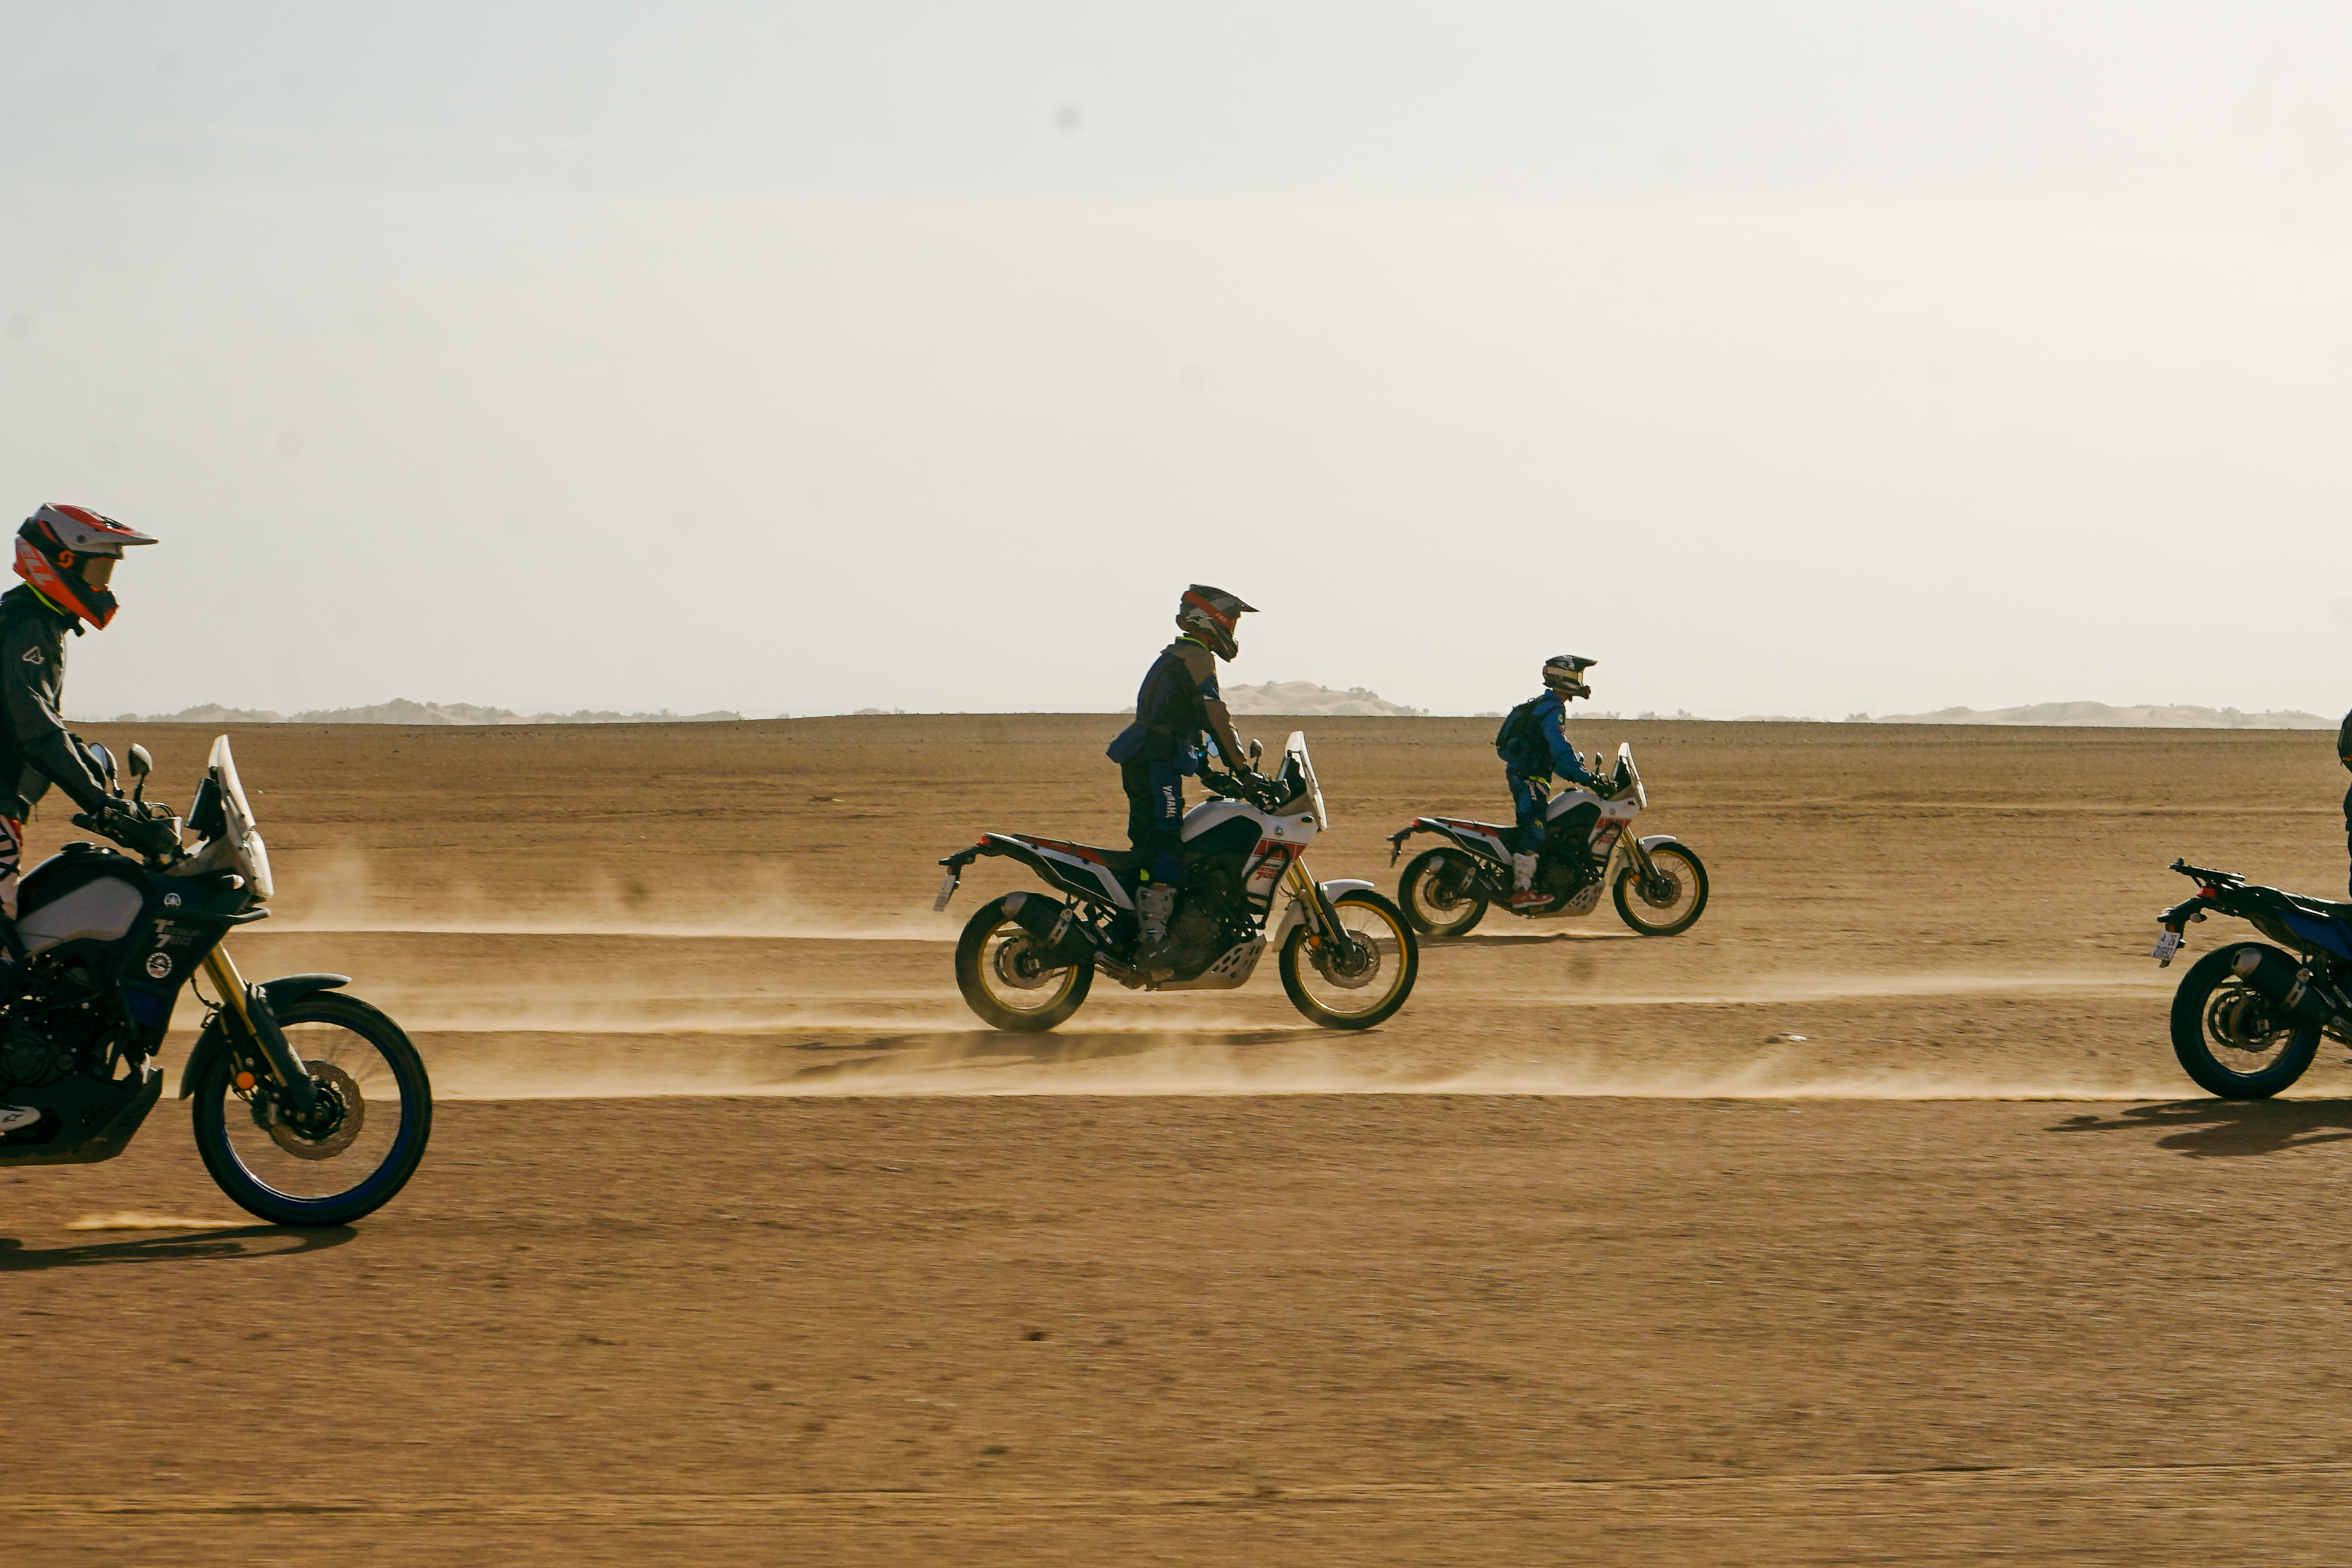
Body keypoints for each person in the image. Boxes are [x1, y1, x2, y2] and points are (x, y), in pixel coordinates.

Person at [1, 504, 171, 1136]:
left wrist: (110, 792)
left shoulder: (34, 623)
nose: (106, 585)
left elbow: (53, 736)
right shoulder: (27, 626)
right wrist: (105, 807)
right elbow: (39, 734)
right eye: (100, 569)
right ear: (61, 563)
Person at [1105, 585, 1257, 969]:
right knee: (1165, 840)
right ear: (1213, 620)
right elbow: (1215, 718)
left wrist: (1213, 773)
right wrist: (1243, 770)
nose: (1235, 629)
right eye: (1233, 620)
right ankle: (1155, 937)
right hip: (1155, 762)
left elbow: (1186, 724)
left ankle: (1137, 923)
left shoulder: (1180, 655)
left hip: (1150, 758)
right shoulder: (1196, 656)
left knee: (1150, 844)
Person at [1494, 653, 1602, 910]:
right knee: (1535, 828)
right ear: (1563, 677)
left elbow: (1556, 753)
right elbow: (1559, 749)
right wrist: (1586, 777)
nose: (1580, 682)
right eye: (1576, 676)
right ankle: (1522, 890)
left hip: (1529, 775)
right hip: (1529, 778)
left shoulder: (1545, 706)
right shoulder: (1552, 709)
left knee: (1539, 825)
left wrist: (1577, 768)